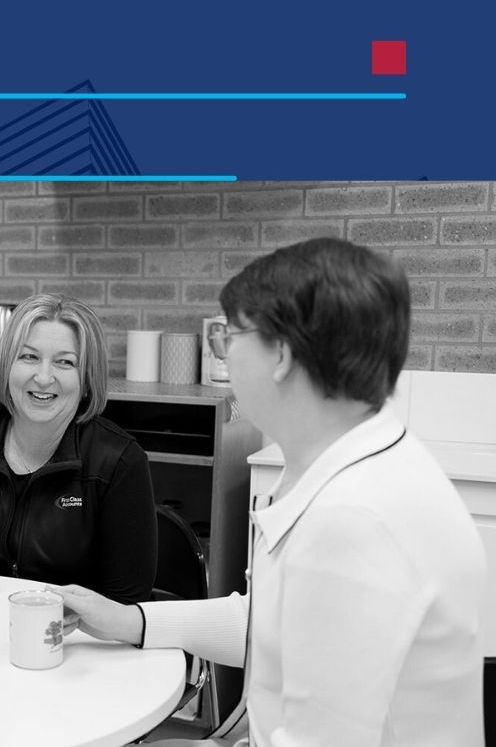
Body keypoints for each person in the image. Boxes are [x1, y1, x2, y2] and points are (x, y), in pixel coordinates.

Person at [54, 238, 486, 746]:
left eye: (229, 336)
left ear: (280, 353)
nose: (223, 355)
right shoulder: (339, 468)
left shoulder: (354, 518)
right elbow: (272, 625)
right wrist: (131, 621)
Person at [0, 294, 157, 601]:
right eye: (29, 357)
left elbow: (128, 604)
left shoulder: (117, 461)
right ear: (7, 366)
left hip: (75, 639)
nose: (44, 377)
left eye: (65, 362)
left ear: (87, 380)